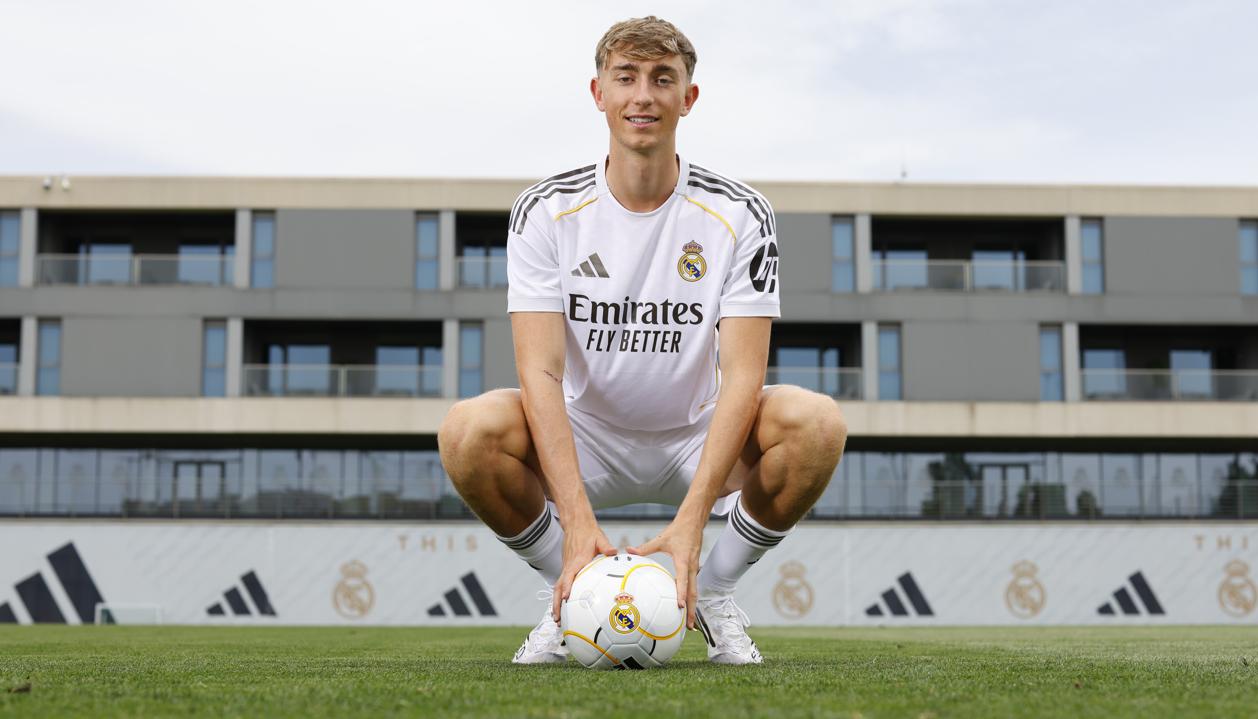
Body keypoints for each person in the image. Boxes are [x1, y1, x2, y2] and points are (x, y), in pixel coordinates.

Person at [438, 15, 846, 665]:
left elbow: (742, 375)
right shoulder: (543, 210)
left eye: (663, 80)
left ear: (689, 98)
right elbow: (539, 372)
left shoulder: (741, 212)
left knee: (817, 423)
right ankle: (570, 591)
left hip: (695, 432)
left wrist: (691, 525)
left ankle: (712, 592)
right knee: (467, 430)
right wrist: (576, 525)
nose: (643, 96)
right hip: (586, 436)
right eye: (625, 78)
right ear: (598, 93)